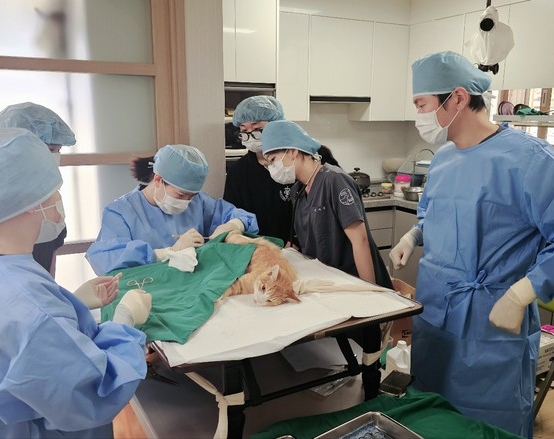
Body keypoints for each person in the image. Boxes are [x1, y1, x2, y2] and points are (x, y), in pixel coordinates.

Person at [388, 51, 554, 438]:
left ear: (458, 98)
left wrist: (524, 291)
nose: (418, 116)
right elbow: (437, 214)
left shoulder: (529, 160)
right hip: (436, 319)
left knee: (488, 426)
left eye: (421, 104)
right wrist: (414, 235)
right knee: (433, 417)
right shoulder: (443, 160)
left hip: (491, 328)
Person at [0, 128, 152, 438]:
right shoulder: (29, 307)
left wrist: (71, 305)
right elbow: (96, 391)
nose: (59, 199)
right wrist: (126, 320)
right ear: (30, 203)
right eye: (54, 189)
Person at [261, 120, 392, 399]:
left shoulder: (334, 181)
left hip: (355, 282)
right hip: (329, 284)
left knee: (366, 354)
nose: (271, 167)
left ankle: (370, 397)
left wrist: (371, 292)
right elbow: (304, 240)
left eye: (273, 159)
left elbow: (359, 241)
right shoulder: (299, 190)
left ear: (293, 152)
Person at [86, 144, 259, 275]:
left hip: (190, 287)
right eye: (181, 195)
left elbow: (242, 217)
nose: (187, 202)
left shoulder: (199, 202)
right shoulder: (121, 212)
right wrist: (166, 253)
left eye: (192, 196)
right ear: (158, 180)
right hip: (145, 291)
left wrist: (233, 225)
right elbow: (104, 260)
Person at [0, 102, 76, 274]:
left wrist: (51, 289)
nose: (55, 156)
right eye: (50, 149)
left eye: (58, 150)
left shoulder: (51, 195)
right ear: (18, 147)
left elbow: (50, 256)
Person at [224, 96, 293, 241]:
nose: (251, 136)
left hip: (300, 247)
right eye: (244, 131)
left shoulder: (295, 161)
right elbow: (232, 216)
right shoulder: (238, 172)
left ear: (277, 125)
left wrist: (296, 241)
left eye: (257, 129)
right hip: (257, 247)